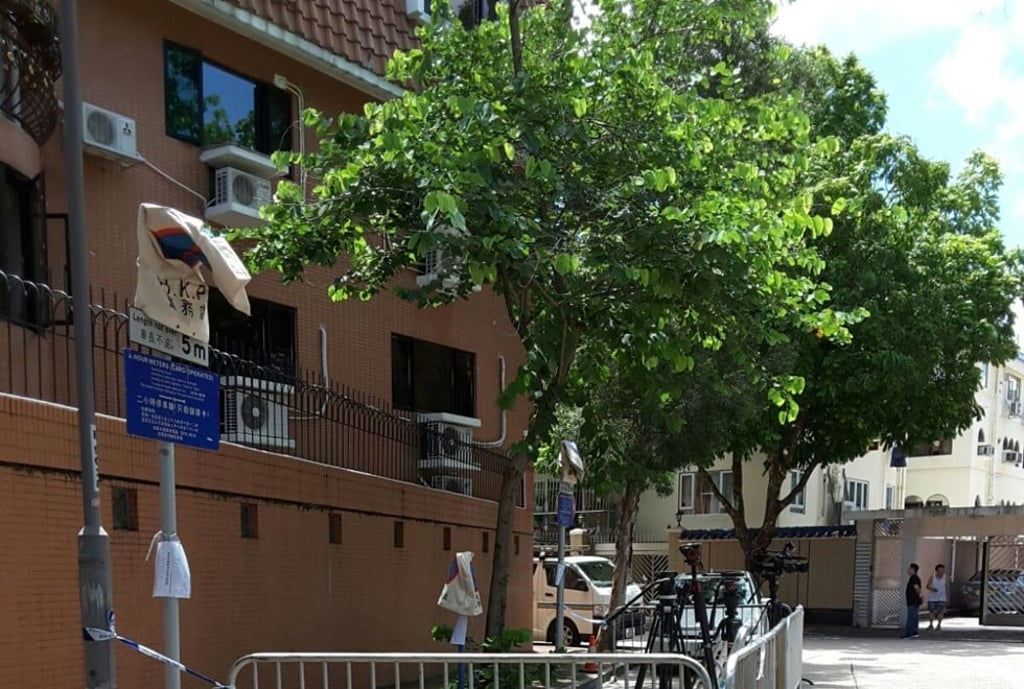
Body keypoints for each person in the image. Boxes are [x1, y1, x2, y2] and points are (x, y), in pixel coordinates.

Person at [926, 564, 949, 631]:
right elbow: (927, 586)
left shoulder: (945, 578)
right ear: (936, 570)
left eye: (943, 570)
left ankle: (939, 625)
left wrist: (947, 597)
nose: (941, 571)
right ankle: (931, 624)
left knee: (940, 612)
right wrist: (932, 589)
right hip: (932, 598)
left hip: (942, 598)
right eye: (940, 570)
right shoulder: (932, 577)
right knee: (931, 611)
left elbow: (947, 588)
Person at [903, 563, 922, 638]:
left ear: (913, 570)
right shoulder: (915, 577)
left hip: (913, 600)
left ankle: (910, 633)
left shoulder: (914, 578)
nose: (908, 570)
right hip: (914, 600)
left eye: (909, 569)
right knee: (914, 616)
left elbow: (916, 587)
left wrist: (920, 595)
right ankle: (914, 632)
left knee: (911, 616)